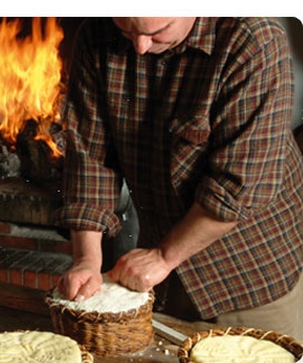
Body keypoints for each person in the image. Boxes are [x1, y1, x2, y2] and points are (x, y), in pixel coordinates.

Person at [56, 17, 303, 340]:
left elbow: (238, 187)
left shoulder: (254, 37)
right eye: (127, 31)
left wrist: (163, 256)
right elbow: (88, 156)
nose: (140, 47)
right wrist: (87, 259)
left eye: (156, 32)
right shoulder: (96, 34)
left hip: (250, 271)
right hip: (161, 276)